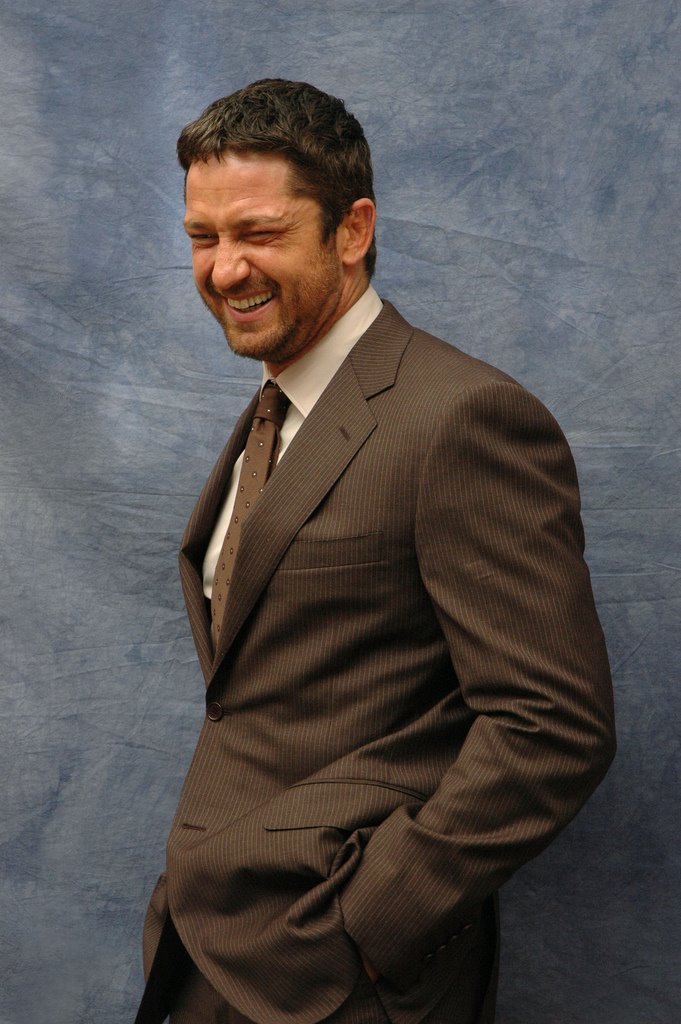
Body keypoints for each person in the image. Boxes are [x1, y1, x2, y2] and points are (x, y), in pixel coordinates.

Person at [135, 79, 615, 1024]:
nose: (224, 269)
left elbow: (553, 725)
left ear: (352, 230)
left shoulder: (462, 418)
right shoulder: (275, 413)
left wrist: (370, 921)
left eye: (258, 233)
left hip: (345, 981)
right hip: (208, 948)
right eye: (202, 237)